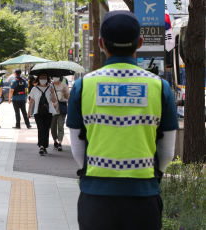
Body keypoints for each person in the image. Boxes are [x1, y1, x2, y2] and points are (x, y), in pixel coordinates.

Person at [67, 11, 178, 230]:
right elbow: (166, 153)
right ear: (140, 42)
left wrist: (93, 174)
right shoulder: (159, 86)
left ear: (100, 43)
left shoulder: (83, 85)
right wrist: (153, 176)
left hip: (96, 197)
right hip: (143, 196)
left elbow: (77, 150)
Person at [27, 74, 57, 155]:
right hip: (37, 112)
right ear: (38, 79)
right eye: (41, 78)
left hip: (49, 112)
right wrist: (29, 112)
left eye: (44, 78)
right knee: (40, 129)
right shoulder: (34, 89)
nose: (43, 79)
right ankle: (41, 146)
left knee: (46, 129)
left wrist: (53, 93)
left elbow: (54, 101)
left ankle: (44, 145)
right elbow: (31, 101)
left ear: (47, 79)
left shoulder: (51, 88)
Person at [51, 76, 70, 151]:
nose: (55, 78)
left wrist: (65, 92)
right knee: (53, 127)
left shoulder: (64, 85)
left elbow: (68, 97)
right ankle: (55, 141)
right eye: (54, 76)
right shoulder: (50, 86)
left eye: (57, 76)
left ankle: (59, 143)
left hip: (62, 108)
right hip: (52, 109)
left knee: (60, 126)